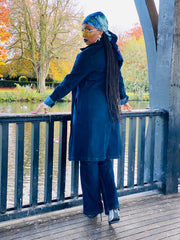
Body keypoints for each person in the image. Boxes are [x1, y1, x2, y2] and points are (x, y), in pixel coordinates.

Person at [32, 11, 132, 225]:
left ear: (100, 31)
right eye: (83, 29)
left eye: (88, 29)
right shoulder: (112, 53)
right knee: (105, 163)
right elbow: (119, 80)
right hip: (109, 116)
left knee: (88, 163)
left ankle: (92, 209)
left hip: (89, 117)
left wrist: (48, 101)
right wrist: (123, 99)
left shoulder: (87, 56)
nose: (84, 33)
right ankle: (113, 208)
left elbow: (70, 81)